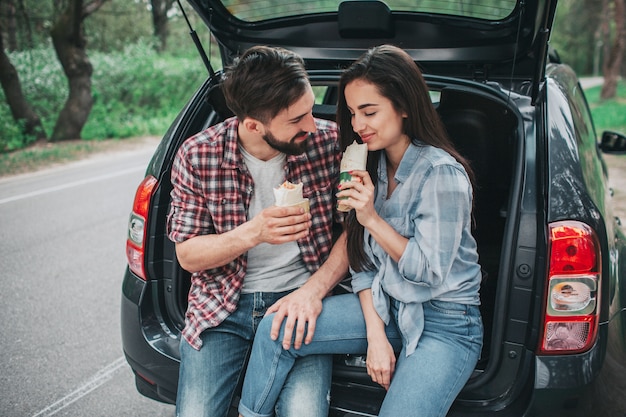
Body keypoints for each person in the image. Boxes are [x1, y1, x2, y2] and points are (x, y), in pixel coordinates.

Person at [237, 44, 484, 417]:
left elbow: (427, 271)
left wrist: (370, 218)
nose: (357, 125)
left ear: (403, 106)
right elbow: (364, 264)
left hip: (445, 322)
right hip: (387, 305)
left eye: (369, 112)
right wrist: (375, 335)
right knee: (277, 327)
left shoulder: (441, 174)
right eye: (352, 113)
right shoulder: (372, 165)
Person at [167, 45, 349, 417]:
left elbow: (354, 232)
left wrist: (313, 293)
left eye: (311, 110)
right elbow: (187, 254)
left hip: (300, 304)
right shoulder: (198, 155)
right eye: (297, 119)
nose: (312, 125)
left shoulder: (329, 143)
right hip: (222, 308)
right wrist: (255, 231)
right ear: (253, 124)